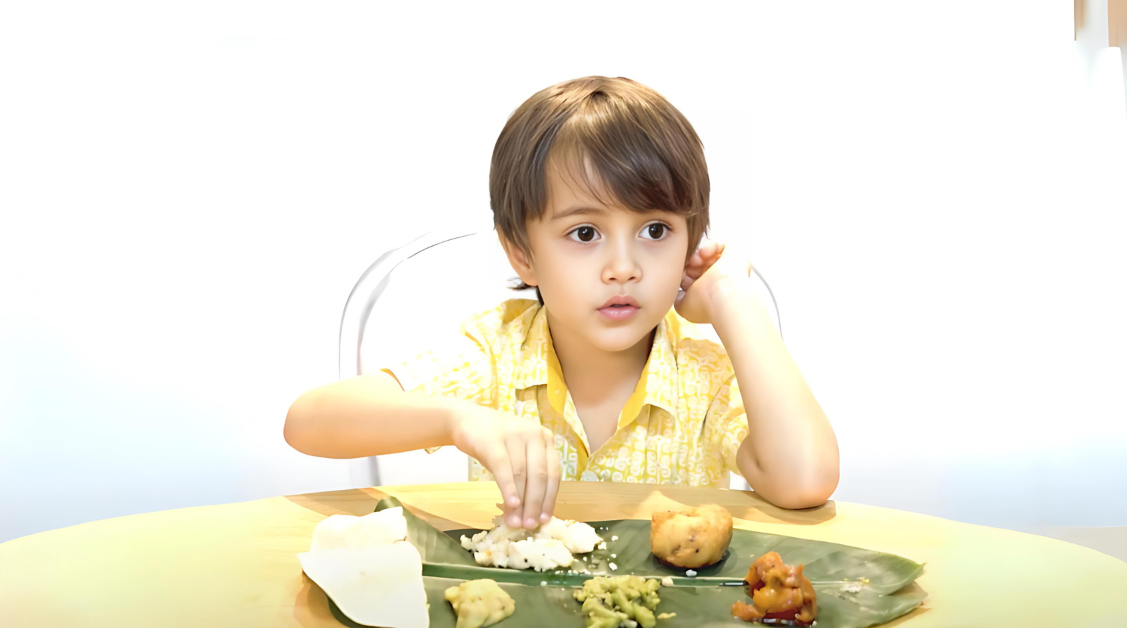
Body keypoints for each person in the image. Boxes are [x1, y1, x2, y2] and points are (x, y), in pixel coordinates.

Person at [284, 76, 838, 532]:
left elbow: (806, 479)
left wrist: (730, 297)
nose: (624, 266)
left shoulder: (706, 373)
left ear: (690, 241)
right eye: (584, 234)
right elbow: (307, 422)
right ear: (522, 253)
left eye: (654, 229)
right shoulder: (494, 354)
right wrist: (458, 419)